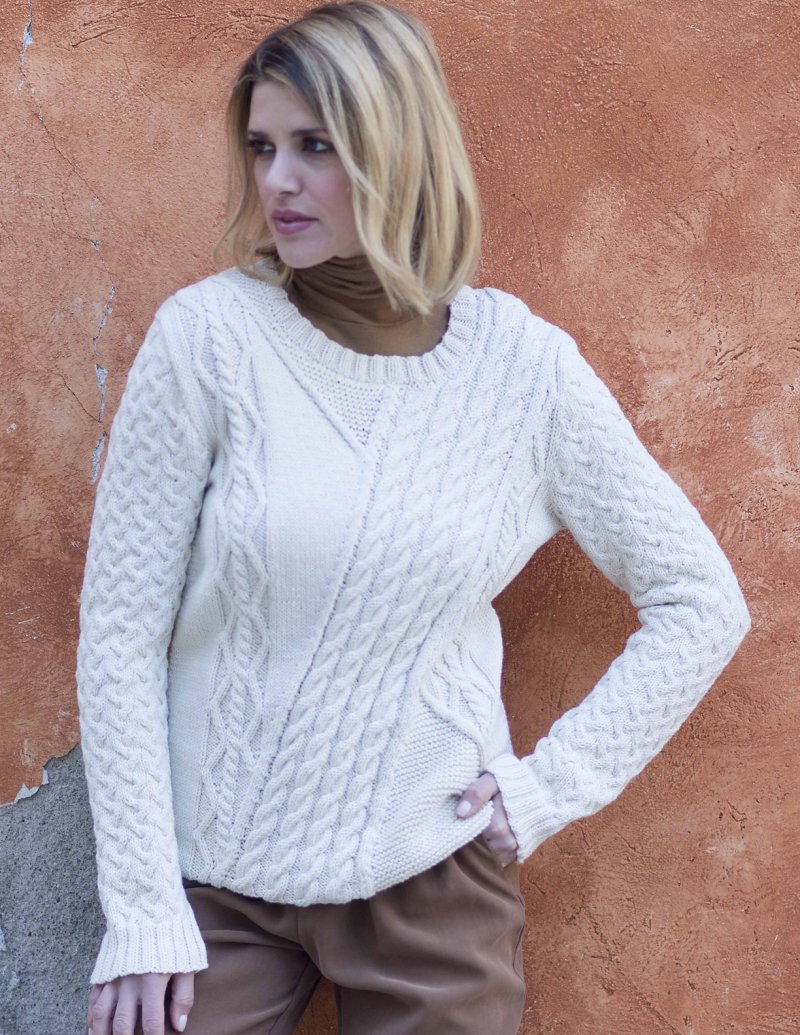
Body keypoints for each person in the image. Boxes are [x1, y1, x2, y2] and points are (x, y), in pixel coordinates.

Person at [75, 2, 751, 1033]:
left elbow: (700, 599)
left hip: (432, 876)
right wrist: (140, 909)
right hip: (214, 885)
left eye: (316, 146)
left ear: (397, 149)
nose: (277, 181)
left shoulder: (523, 373)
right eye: (261, 147)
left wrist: (552, 785)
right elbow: (119, 633)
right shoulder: (208, 342)